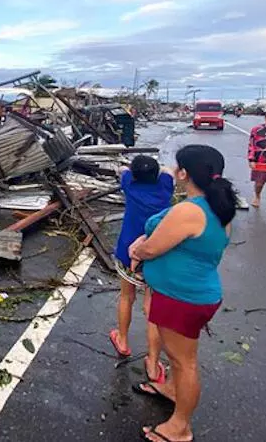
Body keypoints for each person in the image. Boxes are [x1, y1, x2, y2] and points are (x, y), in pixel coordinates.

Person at [129, 145, 236, 442]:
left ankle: (180, 427)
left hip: (183, 299)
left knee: (183, 361)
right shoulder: (216, 205)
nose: (175, 172)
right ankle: (173, 389)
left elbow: (153, 248)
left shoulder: (190, 210)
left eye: (178, 167)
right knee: (180, 356)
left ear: (185, 173)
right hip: (188, 295)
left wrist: (138, 250)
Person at [109, 155, 174, 386]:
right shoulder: (165, 186)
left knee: (127, 297)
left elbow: (122, 169)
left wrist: (128, 167)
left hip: (129, 250)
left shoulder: (130, 184)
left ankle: (123, 341)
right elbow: (168, 170)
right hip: (158, 252)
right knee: (153, 309)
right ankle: (153, 363)